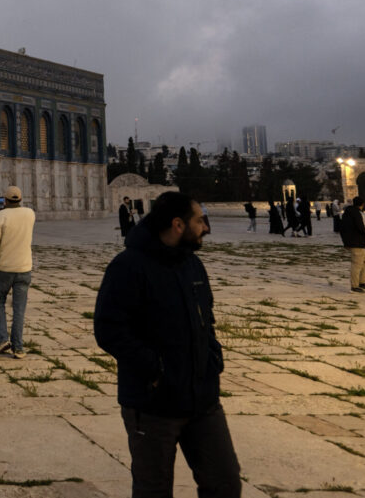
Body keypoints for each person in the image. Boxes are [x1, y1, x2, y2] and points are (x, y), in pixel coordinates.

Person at [94, 191, 242, 498]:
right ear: (177, 224)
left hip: (203, 400)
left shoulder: (192, 266)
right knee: (154, 490)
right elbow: (108, 330)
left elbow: (206, 321)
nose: (206, 228)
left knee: (224, 483)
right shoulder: (129, 267)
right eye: (200, 220)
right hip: (153, 404)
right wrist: (157, 369)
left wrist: (212, 359)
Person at [0, 185, 35, 359]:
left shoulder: (0, 217)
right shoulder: (30, 214)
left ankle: (3, 339)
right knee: (19, 308)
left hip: (5, 269)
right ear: (20, 199)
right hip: (25, 268)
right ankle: (18, 347)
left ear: (4, 200)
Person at [340, 196, 365, 293]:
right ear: (362, 204)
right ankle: (354, 286)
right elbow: (361, 227)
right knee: (357, 264)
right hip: (356, 242)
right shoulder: (357, 213)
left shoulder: (347, 213)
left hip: (355, 242)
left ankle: (361, 282)